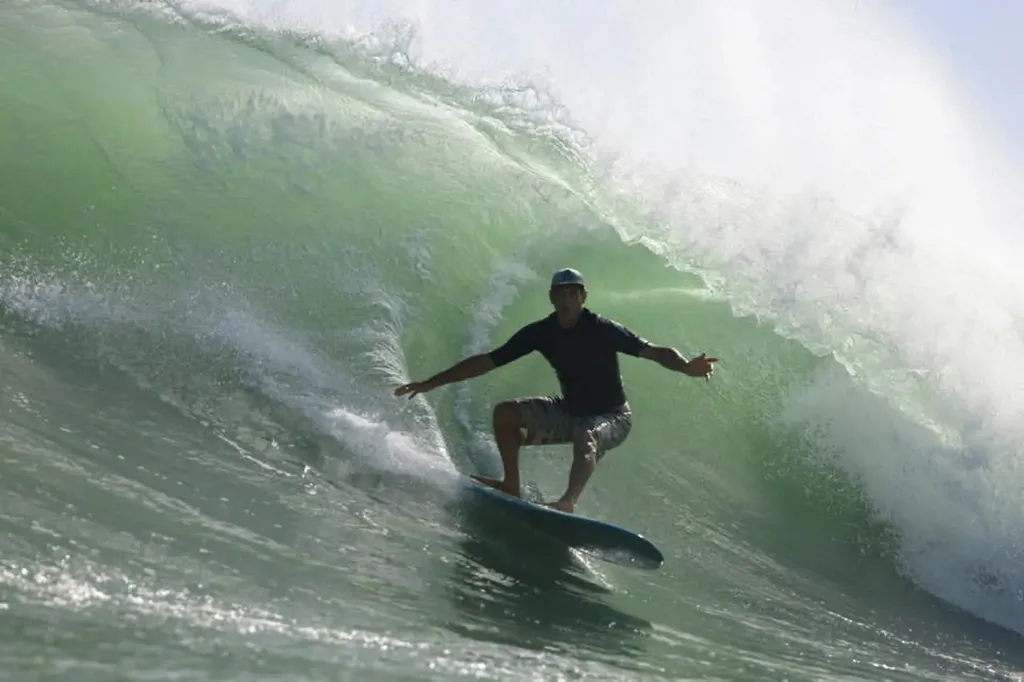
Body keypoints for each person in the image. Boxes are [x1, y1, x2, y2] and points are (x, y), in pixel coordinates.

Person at [393, 267, 719, 513]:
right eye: (560, 294)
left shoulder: (603, 330)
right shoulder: (541, 333)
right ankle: (511, 485)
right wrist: (430, 382)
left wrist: (686, 366)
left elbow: (655, 352)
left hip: (613, 417)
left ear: (583, 297)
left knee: (587, 435)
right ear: (551, 298)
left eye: (573, 294)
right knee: (505, 414)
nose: (566, 300)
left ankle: (567, 502)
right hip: (569, 410)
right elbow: (488, 361)